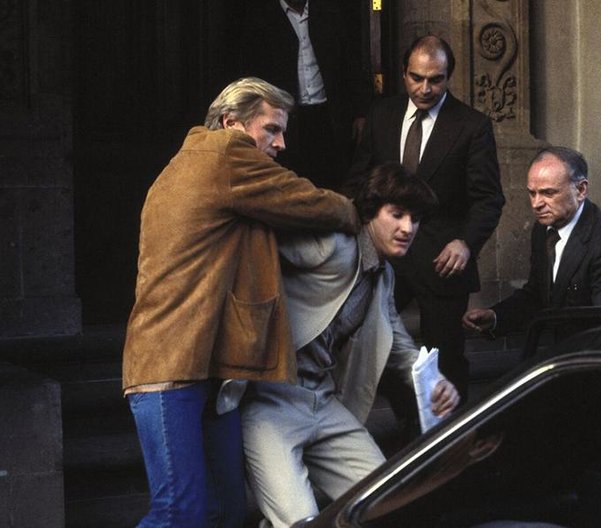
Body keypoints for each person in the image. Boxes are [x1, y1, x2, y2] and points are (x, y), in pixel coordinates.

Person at [121, 77, 360, 528]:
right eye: (271, 129)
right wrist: (357, 211)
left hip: (211, 369)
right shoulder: (224, 154)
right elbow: (305, 201)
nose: (281, 143)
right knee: (180, 512)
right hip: (168, 364)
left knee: (226, 512)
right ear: (231, 122)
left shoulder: (201, 162)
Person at [239, 163, 460, 528]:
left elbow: (398, 344)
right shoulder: (334, 244)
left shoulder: (384, 276)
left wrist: (434, 382)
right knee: (298, 522)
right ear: (371, 212)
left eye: (415, 219)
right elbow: (260, 243)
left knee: (386, 502)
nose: (408, 228)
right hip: (271, 402)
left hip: (323, 402)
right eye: (397, 214)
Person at [347, 35, 504, 407]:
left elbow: (489, 199)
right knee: (373, 345)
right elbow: (358, 181)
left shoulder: (472, 126)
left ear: (449, 76)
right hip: (385, 257)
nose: (425, 88)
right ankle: (408, 422)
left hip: (443, 261)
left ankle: (452, 435)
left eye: (436, 79)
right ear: (404, 73)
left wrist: (466, 243)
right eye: (417, 78)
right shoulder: (381, 115)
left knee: (446, 360)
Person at [462, 146, 601, 337]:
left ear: (581, 190)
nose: (536, 204)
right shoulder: (543, 230)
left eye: (548, 193)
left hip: (588, 351)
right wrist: (496, 317)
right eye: (532, 193)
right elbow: (537, 295)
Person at [233, 0, 370, 190]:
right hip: (285, 118)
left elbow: (351, 64)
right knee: (292, 182)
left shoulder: (329, 11)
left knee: (333, 180)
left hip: (328, 115)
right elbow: (250, 75)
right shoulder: (261, 16)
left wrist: (360, 112)